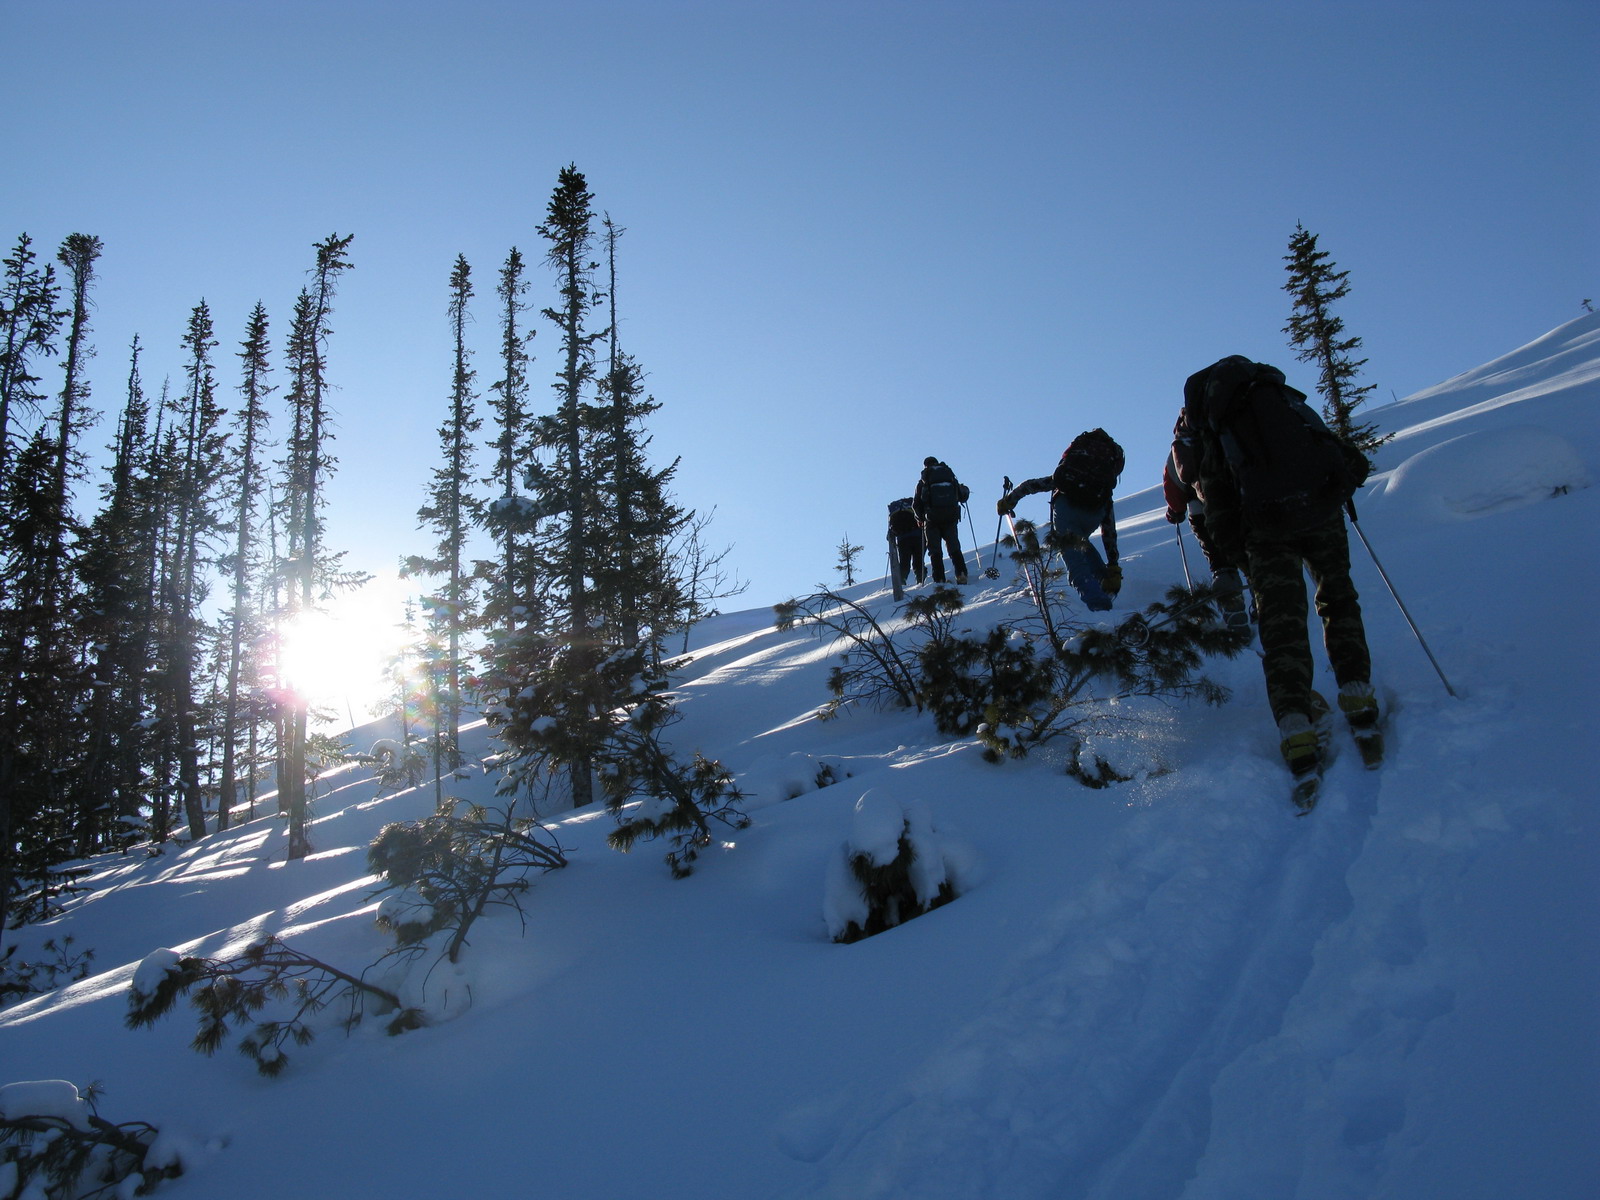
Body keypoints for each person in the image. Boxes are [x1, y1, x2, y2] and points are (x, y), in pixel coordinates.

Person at [1182, 355, 1379, 782]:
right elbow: (1340, 452)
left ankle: (1296, 731)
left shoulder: (1217, 428)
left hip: (1264, 530)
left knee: (1281, 626)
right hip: (1320, 511)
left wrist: (1242, 557)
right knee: (1338, 599)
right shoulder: (1279, 398)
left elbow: (1215, 505)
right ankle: (1359, 697)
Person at [996, 429, 1124, 612]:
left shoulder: (1067, 477)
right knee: (1082, 546)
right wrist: (1113, 565)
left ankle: (1098, 606)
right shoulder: (1102, 489)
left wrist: (1009, 500)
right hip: (1095, 511)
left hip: (1066, 509)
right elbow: (1109, 530)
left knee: (1075, 559)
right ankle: (1105, 586)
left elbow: (1032, 485)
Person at [1162, 409, 1251, 631]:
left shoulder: (1183, 444)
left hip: (1203, 510)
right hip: (1244, 502)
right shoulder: (1233, 430)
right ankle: (1265, 604)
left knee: (1220, 563)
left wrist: (1176, 512)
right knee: (1255, 556)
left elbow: (1173, 485)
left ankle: (1233, 612)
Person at [913, 457, 970, 584]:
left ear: (925, 466)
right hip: (951, 516)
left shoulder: (924, 481)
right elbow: (962, 496)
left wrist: (920, 518)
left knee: (935, 550)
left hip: (932, 519)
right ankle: (961, 574)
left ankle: (939, 579)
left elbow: (916, 504)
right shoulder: (949, 476)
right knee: (954, 546)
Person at [886, 497, 925, 588]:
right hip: (917, 536)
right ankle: (921, 580)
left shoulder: (894, 510)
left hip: (902, 538)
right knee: (918, 561)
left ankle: (901, 582)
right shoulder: (913, 506)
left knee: (904, 562)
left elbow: (891, 531)